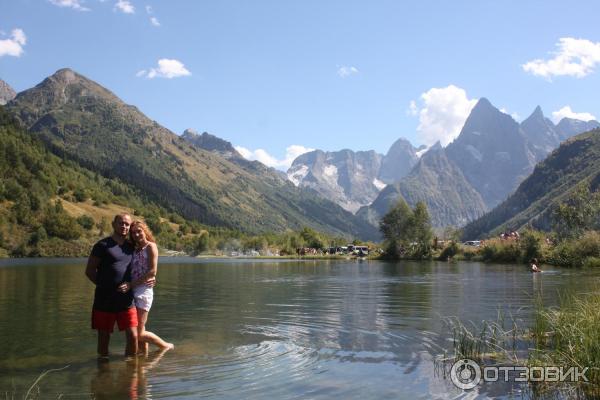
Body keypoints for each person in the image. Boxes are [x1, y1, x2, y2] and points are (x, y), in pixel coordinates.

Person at [86, 213, 139, 357]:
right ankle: (103, 368)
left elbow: (144, 263)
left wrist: (150, 278)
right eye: (121, 223)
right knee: (104, 338)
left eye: (127, 224)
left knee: (133, 336)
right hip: (104, 299)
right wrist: (104, 285)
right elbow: (90, 271)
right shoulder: (102, 245)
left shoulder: (131, 246)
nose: (124, 226)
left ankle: (131, 368)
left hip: (126, 299)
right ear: (113, 224)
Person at [123, 220, 173, 353]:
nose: (137, 235)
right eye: (133, 233)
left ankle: (165, 346)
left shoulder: (151, 246)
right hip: (133, 290)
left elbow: (152, 271)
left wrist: (131, 284)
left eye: (139, 231)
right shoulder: (135, 249)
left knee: (138, 333)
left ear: (145, 230)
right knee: (140, 329)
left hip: (144, 291)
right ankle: (143, 360)